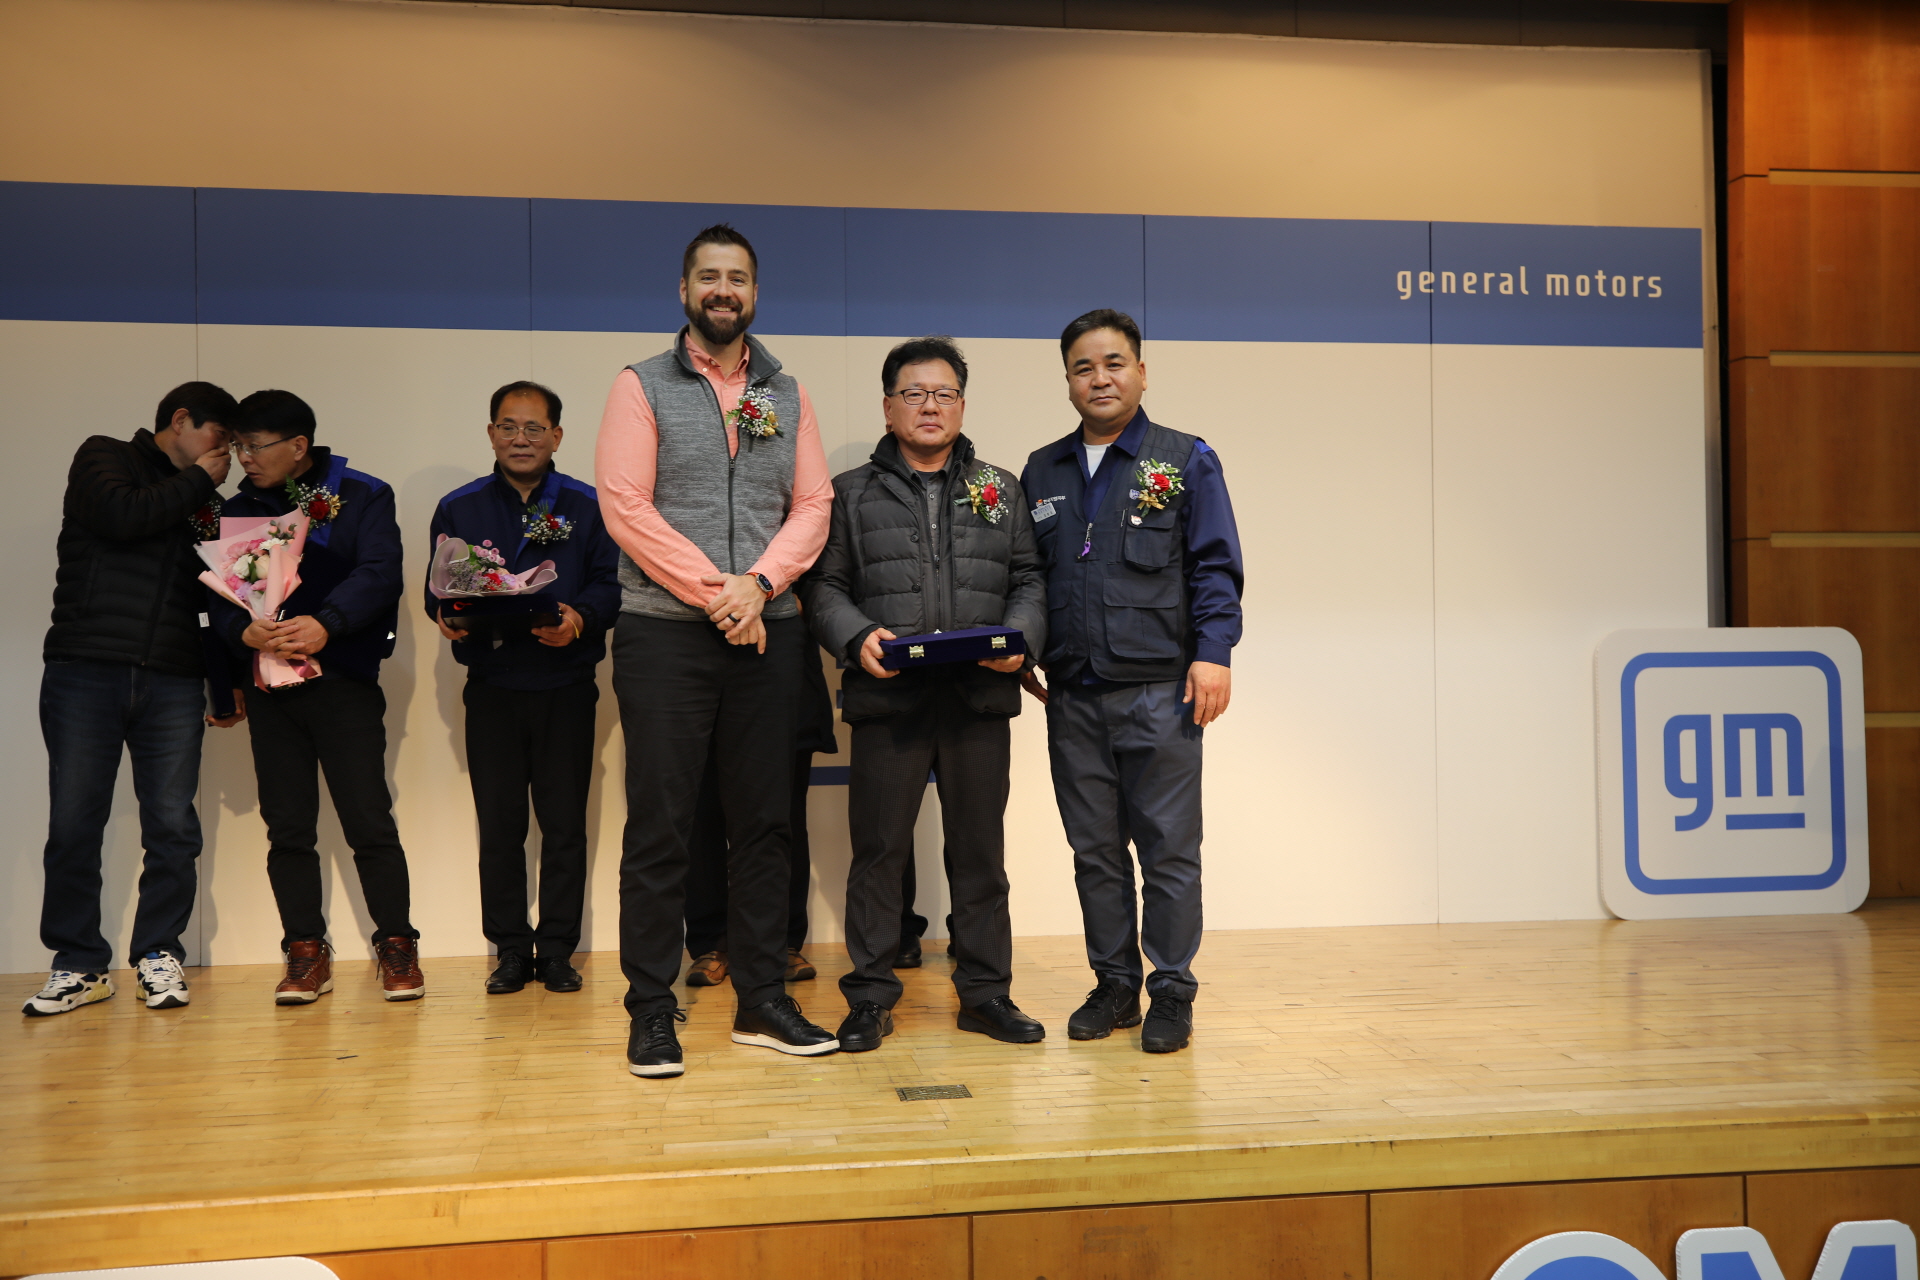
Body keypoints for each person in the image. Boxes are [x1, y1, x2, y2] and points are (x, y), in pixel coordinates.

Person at [597, 223, 837, 1078]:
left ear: (755, 294)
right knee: (661, 826)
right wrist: (719, 594)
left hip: (770, 627)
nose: (723, 290)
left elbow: (813, 505)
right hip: (665, 634)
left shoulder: (787, 391)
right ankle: (650, 1008)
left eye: (737, 278)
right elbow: (625, 505)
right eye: (709, 277)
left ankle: (763, 999)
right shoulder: (641, 384)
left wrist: (758, 586)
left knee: (767, 823)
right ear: (685, 290)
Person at [802, 336, 1046, 1053]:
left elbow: (1030, 578)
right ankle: (870, 997)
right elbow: (823, 586)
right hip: (890, 701)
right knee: (878, 853)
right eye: (914, 393)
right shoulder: (849, 493)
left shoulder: (1001, 487)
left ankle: (986, 994)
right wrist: (854, 637)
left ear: (962, 405)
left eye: (944, 393)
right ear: (888, 407)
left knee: (980, 853)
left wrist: (1021, 639)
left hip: (978, 699)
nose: (930, 406)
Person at [1019, 310, 1243, 1055]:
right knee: (1094, 852)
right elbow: (1027, 576)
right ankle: (1114, 985)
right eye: (1083, 367)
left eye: (1114, 363)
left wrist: (1214, 653)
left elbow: (1215, 565)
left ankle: (1171, 989)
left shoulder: (1185, 459)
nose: (1100, 378)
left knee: (1169, 851)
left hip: (1160, 693)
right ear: (1068, 382)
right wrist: (1022, 650)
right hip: (1072, 694)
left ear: (1141, 372)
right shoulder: (1042, 469)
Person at [24, 382, 245, 1017]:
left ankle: (158, 954)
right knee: (75, 822)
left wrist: (224, 684)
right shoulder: (104, 456)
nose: (227, 455)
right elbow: (123, 516)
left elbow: (216, 600)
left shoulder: (206, 502)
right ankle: (78, 963)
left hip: (173, 678)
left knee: (173, 825)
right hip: (85, 668)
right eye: (219, 437)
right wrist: (199, 483)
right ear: (181, 420)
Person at [210, 389, 424, 1005]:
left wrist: (326, 623)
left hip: (342, 683)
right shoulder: (238, 509)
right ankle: (305, 951)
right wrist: (240, 631)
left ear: (299, 446)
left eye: (255, 446)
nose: (245, 458)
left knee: (368, 820)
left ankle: (397, 945)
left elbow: (380, 573)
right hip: (270, 688)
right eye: (238, 446)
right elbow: (216, 598)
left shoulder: (362, 494)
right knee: (287, 826)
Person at [427, 381, 619, 997]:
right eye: (508, 427)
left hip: (566, 685)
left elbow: (612, 582)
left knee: (564, 826)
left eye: (534, 428)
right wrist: (446, 614)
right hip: (493, 686)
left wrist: (580, 619)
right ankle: (510, 949)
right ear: (491, 434)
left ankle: (558, 950)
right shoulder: (459, 507)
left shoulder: (588, 505)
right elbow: (439, 587)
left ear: (556, 436)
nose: (520, 439)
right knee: (501, 825)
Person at [682, 644, 836, 988]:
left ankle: (782, 941)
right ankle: (711, 943)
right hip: (697, 667)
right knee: (702, 820)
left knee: (785, 820)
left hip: (781, 667)